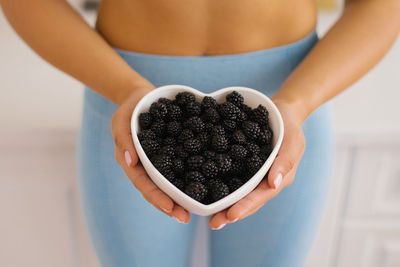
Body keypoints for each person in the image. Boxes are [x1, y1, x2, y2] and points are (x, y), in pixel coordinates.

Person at [2, 0, 399, 266]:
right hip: (125, 99)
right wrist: (125, 91)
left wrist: (297, 103)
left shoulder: (291, 108)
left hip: (291, 100)